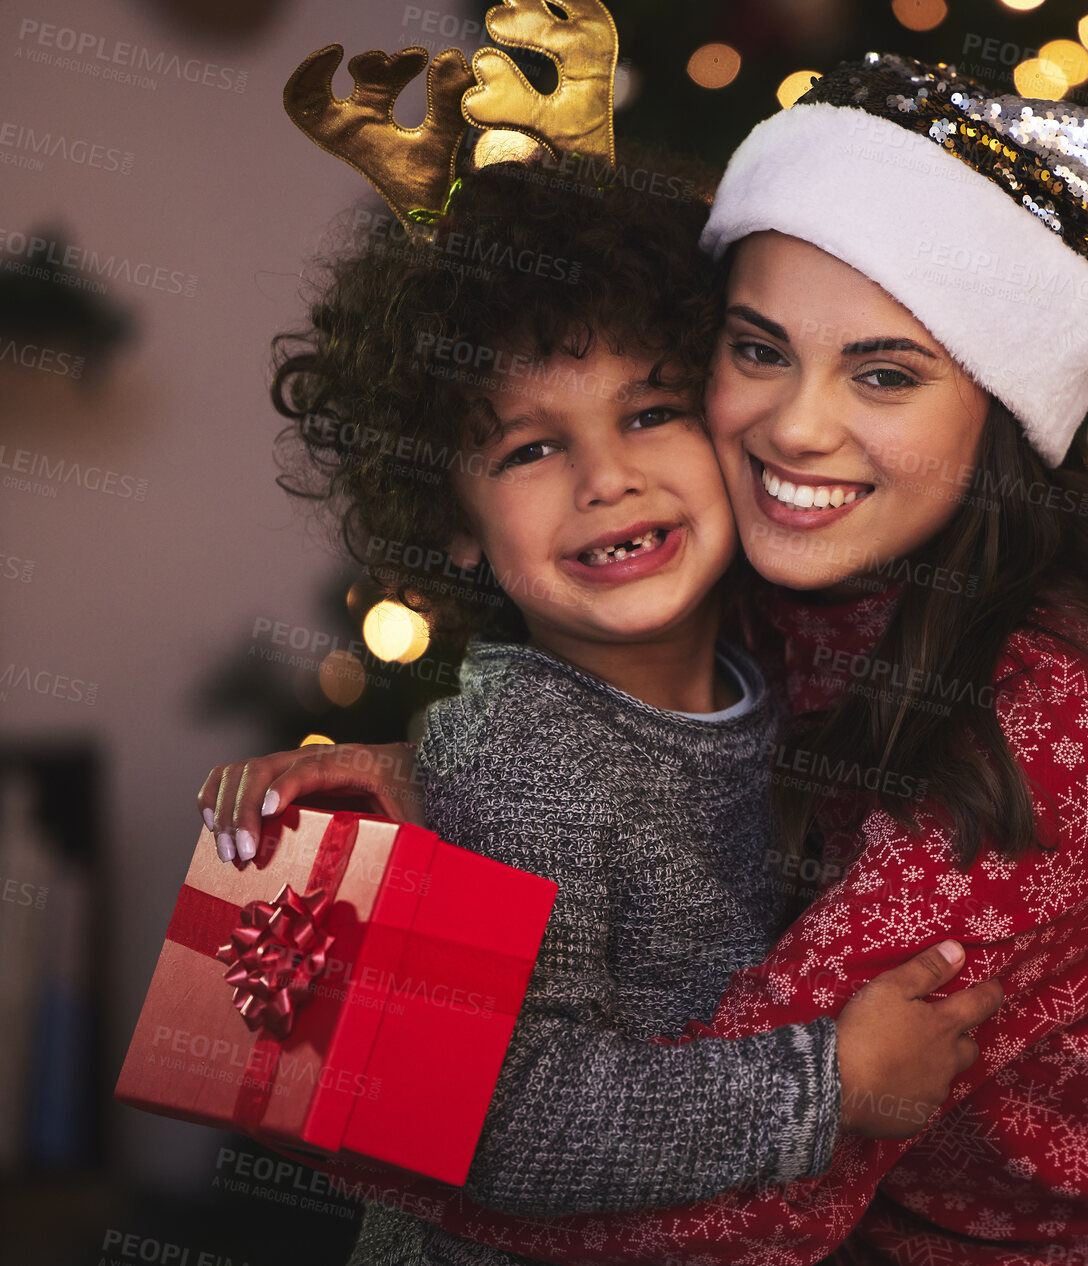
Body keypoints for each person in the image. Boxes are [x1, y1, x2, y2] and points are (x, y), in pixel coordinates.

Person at [211, 54, 1088, 1265]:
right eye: (756, 351)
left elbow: (756, 1203)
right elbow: (631, 761)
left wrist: (353, 1099)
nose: (796, 429)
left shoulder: (1057, 716)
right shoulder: (753, 584)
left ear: (998, 410)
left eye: (883, 373)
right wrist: (434, 774)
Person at [203, 149, 1003, 1262]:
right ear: (453, 522)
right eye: (531, 446)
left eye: (651, 413)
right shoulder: (524, 749)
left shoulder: (771, 682)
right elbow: (495, 1116)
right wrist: (832, 1084)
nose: (606, 478)